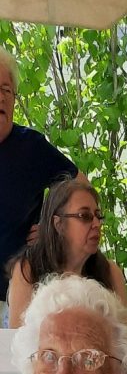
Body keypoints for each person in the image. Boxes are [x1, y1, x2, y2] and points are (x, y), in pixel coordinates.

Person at [0, 48, 84, 310]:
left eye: (6, 90)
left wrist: (52, 228)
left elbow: (81, 188)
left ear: (15, 98)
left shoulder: (31, 147)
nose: (1, 98)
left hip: (14, 295)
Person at [7, 178, 127, 327]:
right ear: (58, 224)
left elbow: (126, 339)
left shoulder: (110, 272)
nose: (97, 224)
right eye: (85, 216)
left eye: (98, 216)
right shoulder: (28, 269)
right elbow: (17, 339)